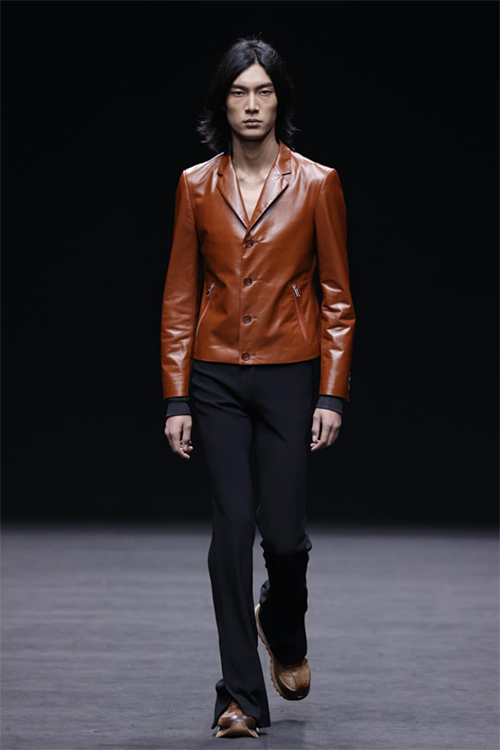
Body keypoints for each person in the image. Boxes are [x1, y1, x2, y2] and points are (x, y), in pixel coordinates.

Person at [160, 35, 356, 739]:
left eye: (263, 91)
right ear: (222, 102)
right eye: (239, 92)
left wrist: (331, 393)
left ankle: (282, 620)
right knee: (232, 530)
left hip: (289, 376)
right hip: (214, 376)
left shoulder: (317, 183)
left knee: (285, 538)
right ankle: (239, 695)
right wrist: (177, 397)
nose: (251, 104)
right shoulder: (194, 186)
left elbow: (337, 297)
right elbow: (179, 296)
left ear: (280, 101)